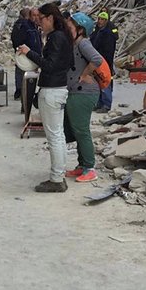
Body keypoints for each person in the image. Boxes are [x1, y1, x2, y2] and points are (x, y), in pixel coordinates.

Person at [18, 3, 74, 193]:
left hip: (52, 90)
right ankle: (59, 175)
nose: (38, 22)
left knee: (54, 137)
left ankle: (57, 179)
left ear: (50, 18)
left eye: (40, 18)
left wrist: (29, 53)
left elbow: (50, 65)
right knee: (57, 135)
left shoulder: (56, 37)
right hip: (57, 88)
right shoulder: (62, 36)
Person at [64, 12, 103, 183]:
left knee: (82, 130)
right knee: (76, 130)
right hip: (76, 91)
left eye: (70, 27)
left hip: (84, 92)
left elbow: (97, 59)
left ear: (80, 30)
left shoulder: (83, 43)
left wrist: (85, 73)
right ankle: (81, 166)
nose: (67, 29)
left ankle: (90, 168)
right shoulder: (75, 43)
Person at [89, 11, 117, 113]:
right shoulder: (97, 31)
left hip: (104, 61)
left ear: (106, 21)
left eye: (102, 19)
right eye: (99, 19)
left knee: (105, 82)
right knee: (98, 82)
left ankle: (106, 104)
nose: (100, 21)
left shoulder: (108, 33)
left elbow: (109, 50)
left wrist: (106, 62)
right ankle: (100, 103)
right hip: (97, 61)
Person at [11, 7, 32, 99]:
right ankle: (25, 92)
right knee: (26, 72)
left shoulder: (16, 24)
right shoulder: (27, 25)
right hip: (26, 51)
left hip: (18, 50)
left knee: (19, 72)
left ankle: (19, 90)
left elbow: (13, 37)